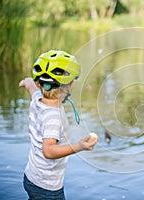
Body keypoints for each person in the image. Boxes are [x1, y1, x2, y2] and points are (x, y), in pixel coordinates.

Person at [19, 50, 98, 200]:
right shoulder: (53, 117)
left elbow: (30, 86)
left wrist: (26, 82)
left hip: (31, 177)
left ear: (39, 83)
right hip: (47, 187)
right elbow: (48, 150)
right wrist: (79, 146)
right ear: (68, 86)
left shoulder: (37, 98)